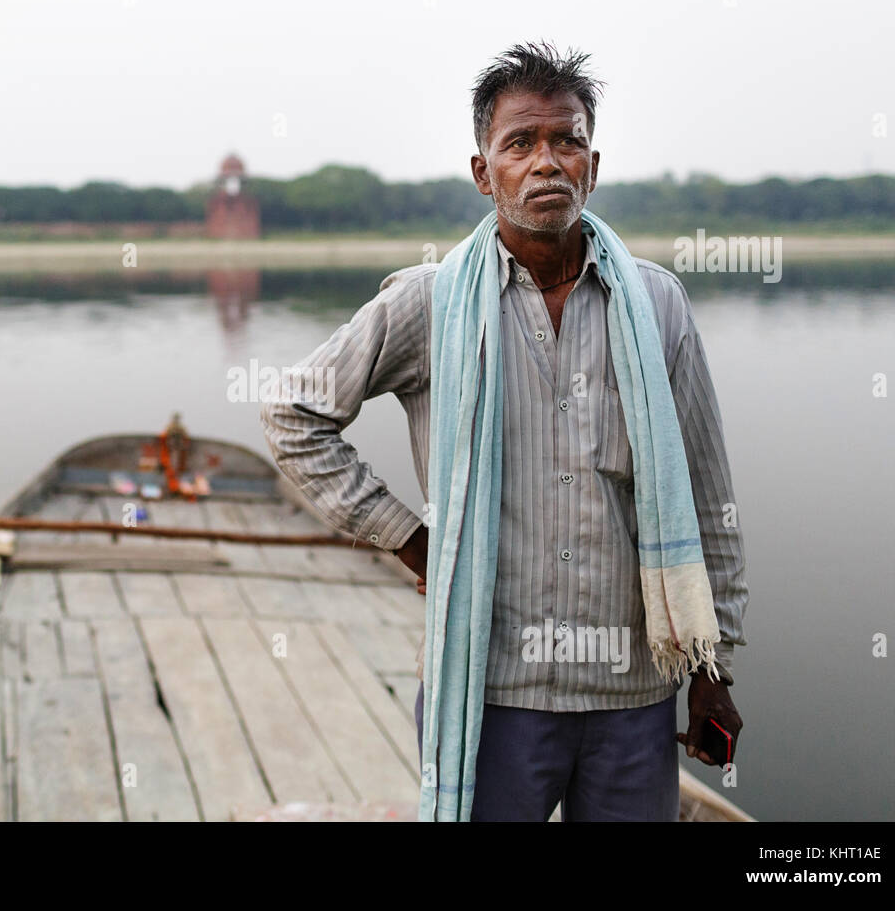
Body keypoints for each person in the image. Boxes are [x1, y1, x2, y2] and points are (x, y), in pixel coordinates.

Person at [260, 42, 748, 821]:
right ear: (485, 172)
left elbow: (707, 497)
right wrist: (407, 539)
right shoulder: (428, 304)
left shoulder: (658, 306)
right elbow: (293, 414)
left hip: (633, 693)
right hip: (488, 692)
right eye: (520, 143)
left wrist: (713, 666)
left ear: (593, 164)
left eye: (567, 140)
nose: (546, 162)